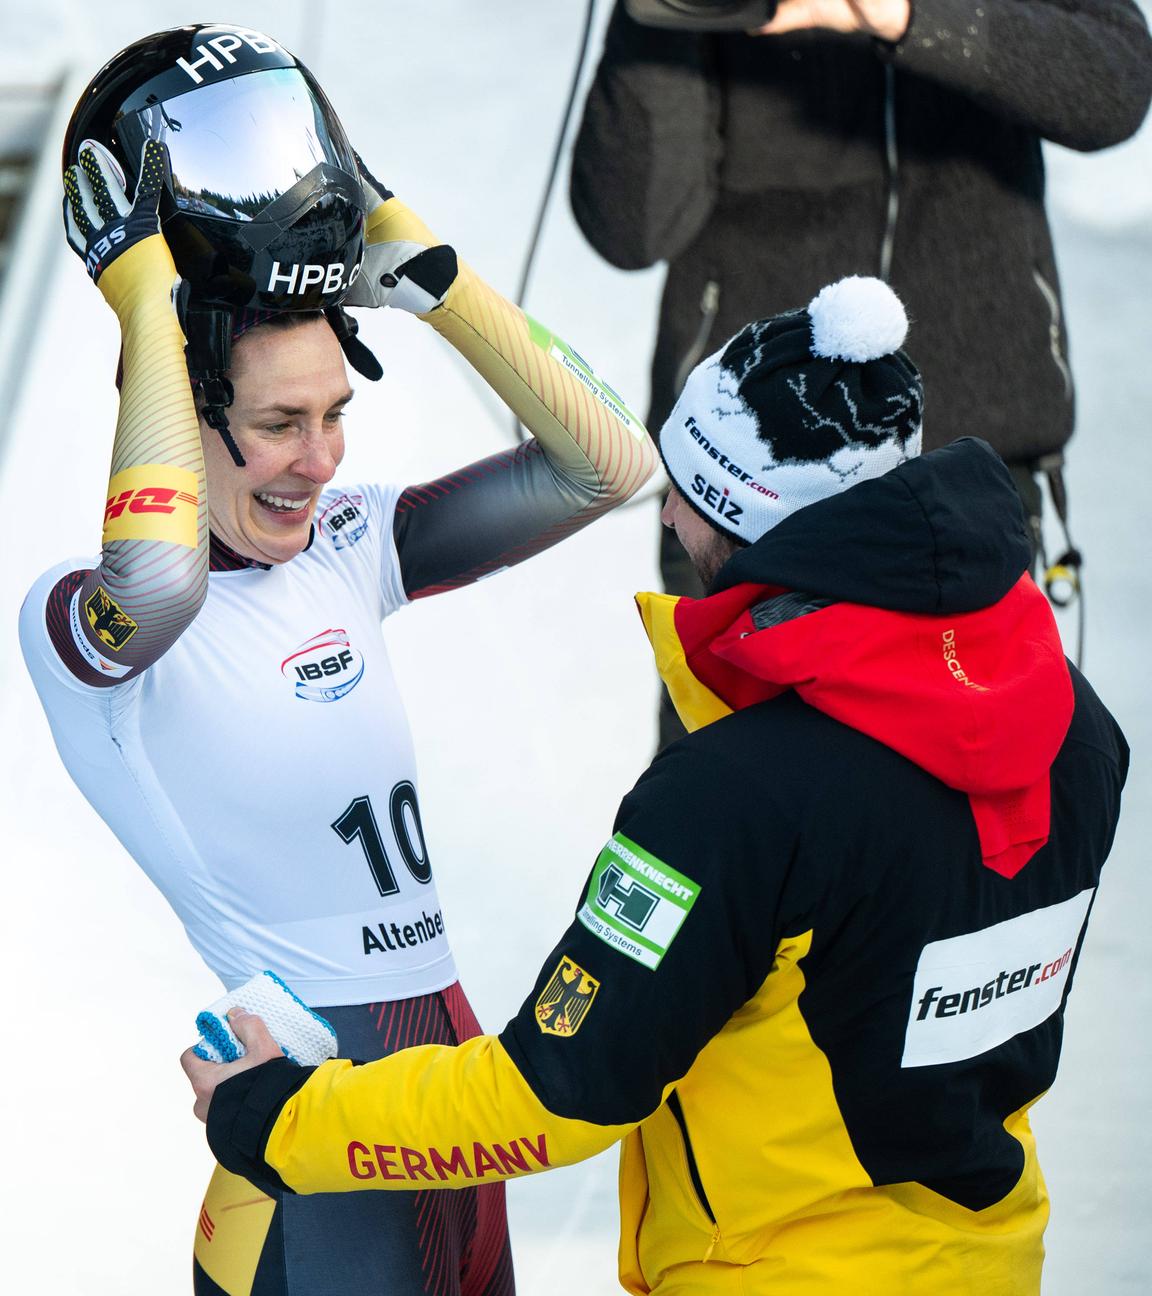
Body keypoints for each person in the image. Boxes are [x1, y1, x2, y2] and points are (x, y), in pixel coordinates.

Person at [183, 277, 1128, 1295]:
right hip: (992, 1262)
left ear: (742, 516)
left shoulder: (738, 799)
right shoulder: (1075, 725)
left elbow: (558, 1094)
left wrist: (275, 1116)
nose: (666, 512)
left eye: (684, 487)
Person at [19, 24, 656, 1296]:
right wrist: (148, 299)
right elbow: (158, 579)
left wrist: (422, 262)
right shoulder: (88, 621)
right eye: (276, 424)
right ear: (180, 419)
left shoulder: (347, 549)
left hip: (447, 1098)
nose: (321, 460)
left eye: (336, 416)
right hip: (320, 1135)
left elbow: (612, 463)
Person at [568, 0, 1152, 746]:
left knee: (958, 823)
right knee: (729, 828)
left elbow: (1113, 82)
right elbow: (633, 226)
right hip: (742, 487)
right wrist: (660, 16)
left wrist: (907, 15)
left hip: (968, 477)